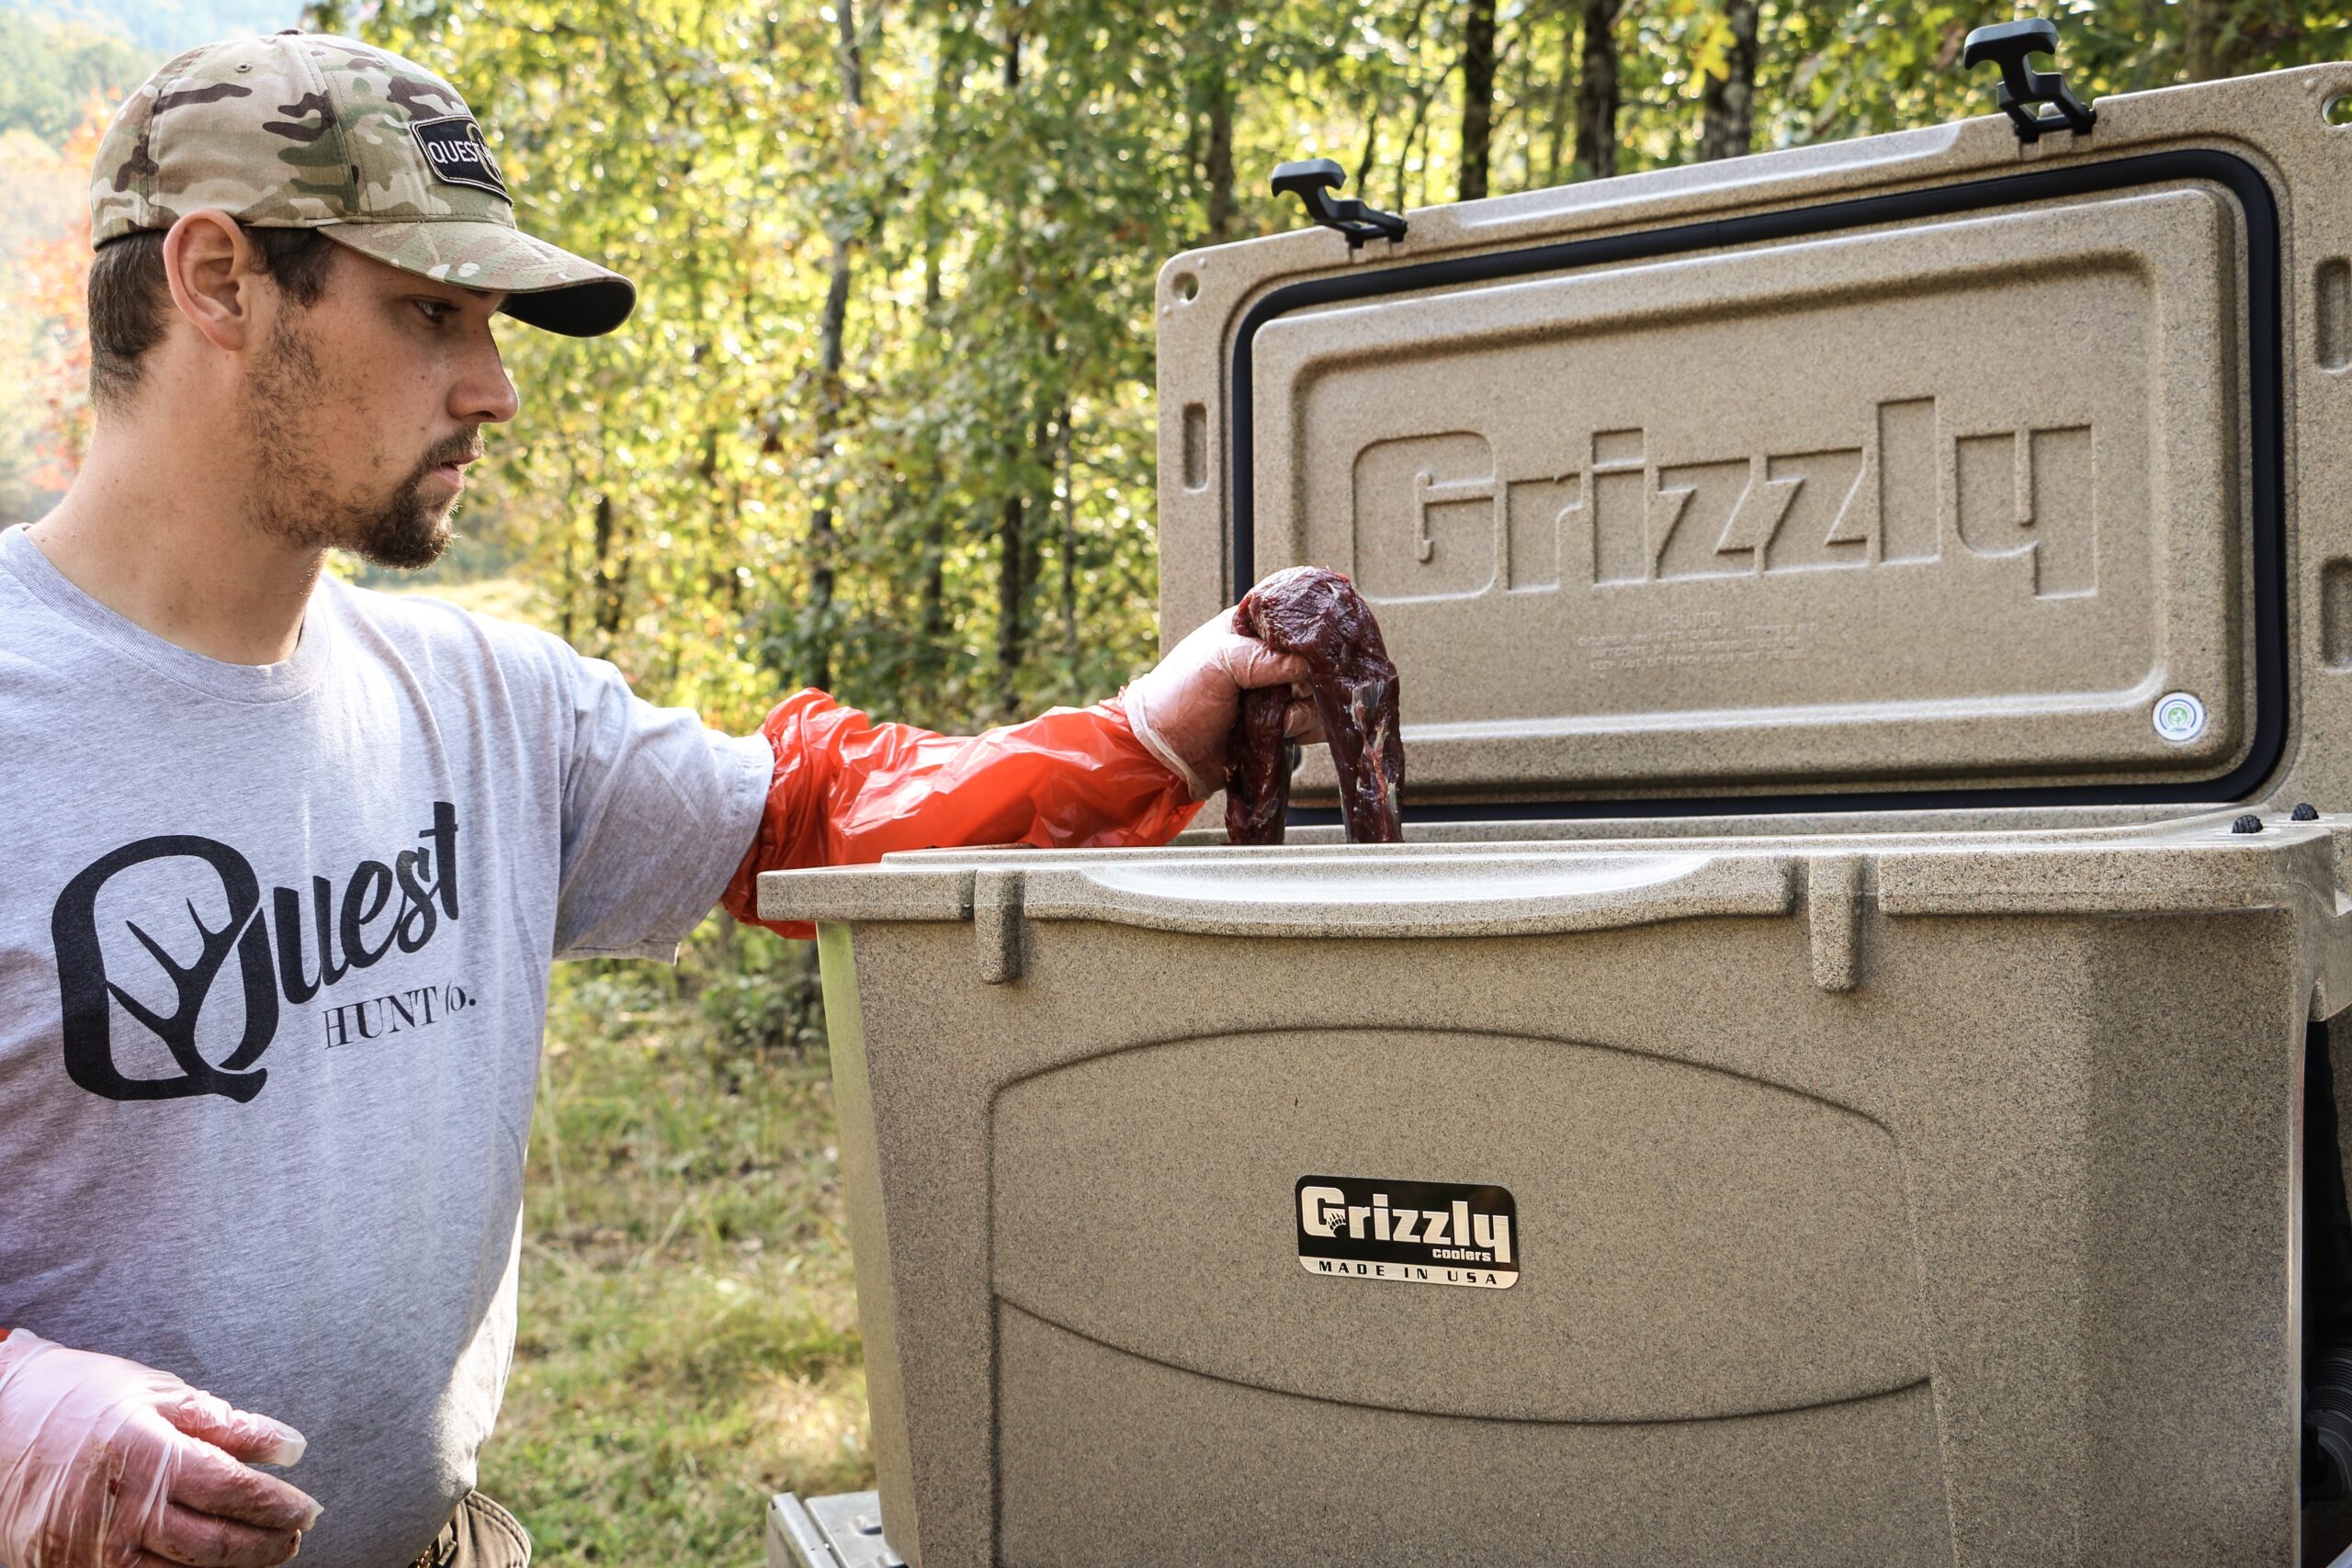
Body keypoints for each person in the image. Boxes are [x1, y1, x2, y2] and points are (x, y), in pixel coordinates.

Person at [0, 31, 1317, 1568]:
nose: (492, 390)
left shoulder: (491, 705)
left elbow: (811, 819)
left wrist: (1149, 734)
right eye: (430, 312)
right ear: (218, 278)